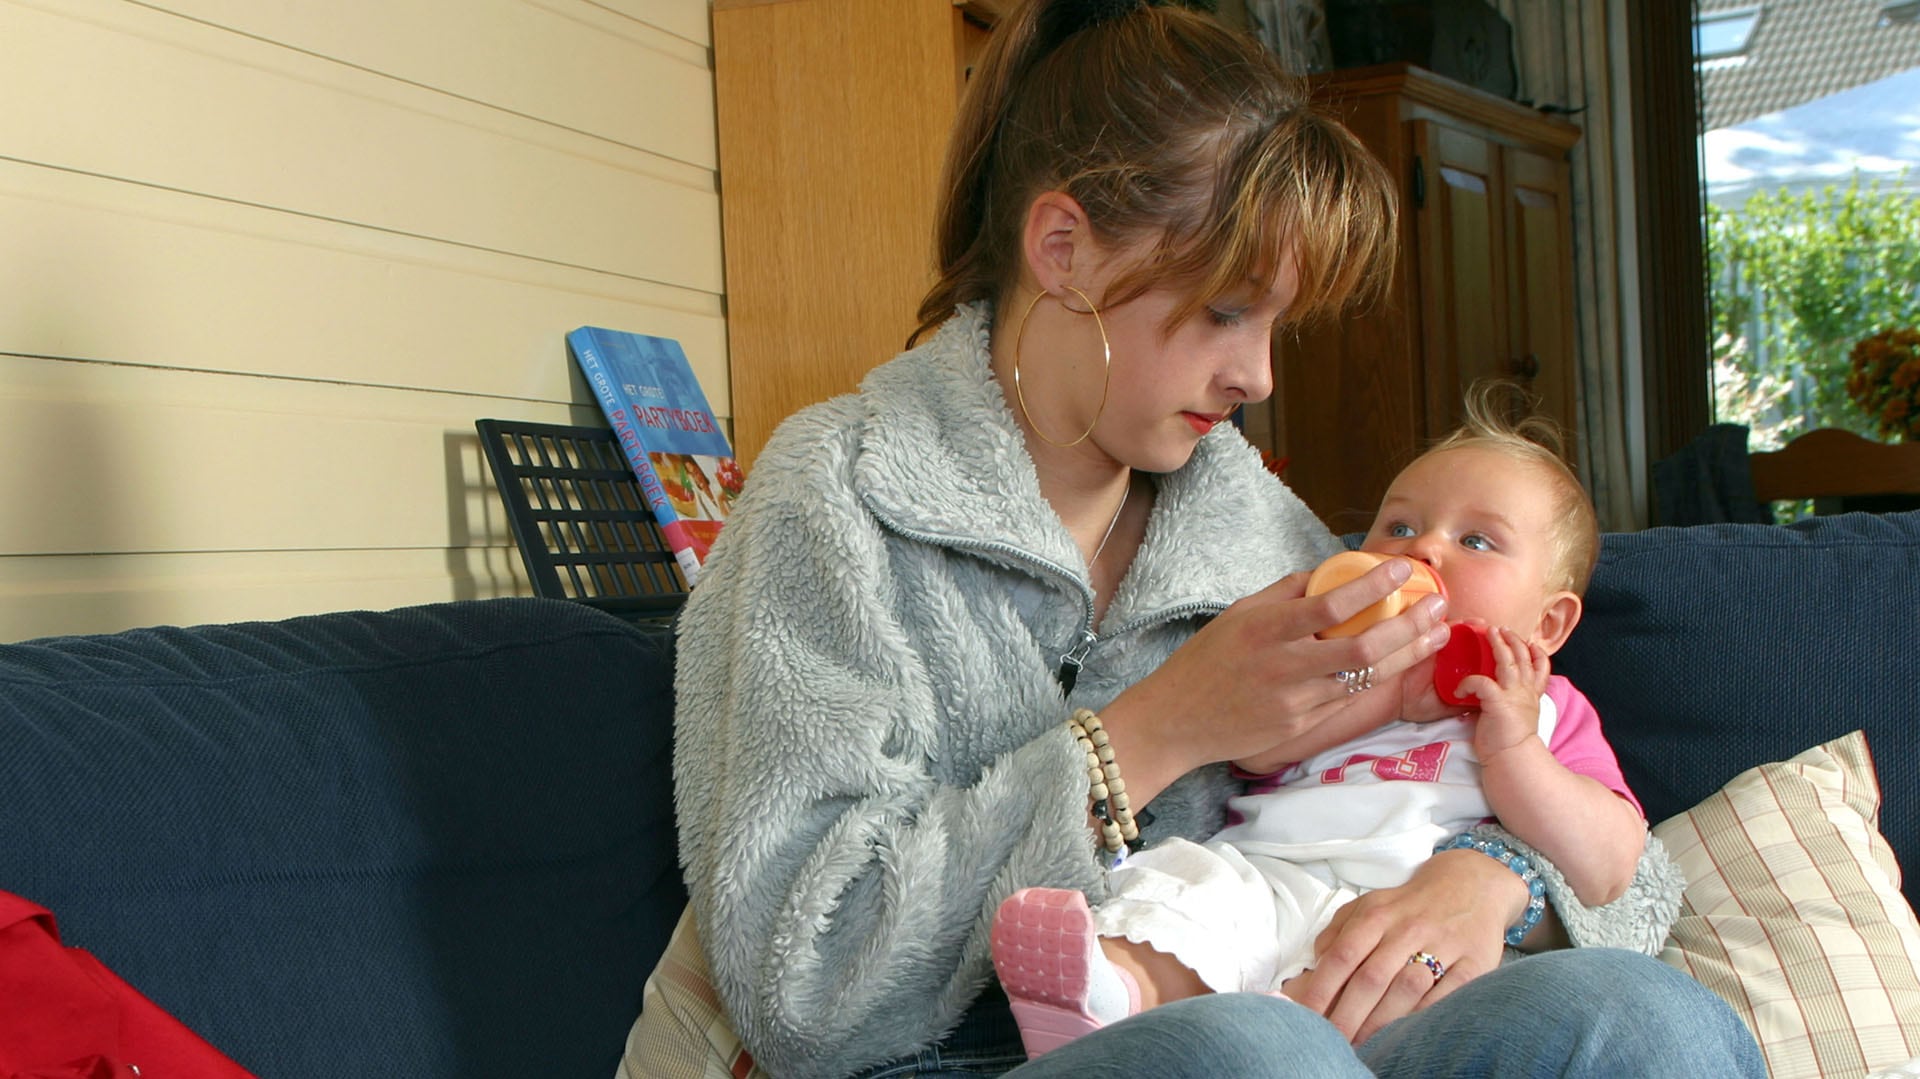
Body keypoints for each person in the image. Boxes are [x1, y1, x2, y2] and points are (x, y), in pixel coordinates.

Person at [633, 1, 1766, 1076]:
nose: (1259, 374)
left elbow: (1633, 885)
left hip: (1305, 1027)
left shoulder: (1267, 533)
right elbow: (803, 984)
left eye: (1276, 322)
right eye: (1228, 311)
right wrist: (1151, 730)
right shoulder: (840, 491)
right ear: (1064, 247)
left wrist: (1494, 873)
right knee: (1257, 1054)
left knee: (1647, 1017)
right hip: (953, 1055)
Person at [989, 391, 1655, 1058]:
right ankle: (1108, 993)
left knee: (1355, 984)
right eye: (1398, 526)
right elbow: (1256, 751)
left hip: (1401, 911)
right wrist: (1380, 698)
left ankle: (1268, 1031)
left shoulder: (1546, 708)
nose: (1424, 546)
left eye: (1475, 540)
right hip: (1269, 874)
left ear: (1548, 623)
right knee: (1186, 893)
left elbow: (1607, 865)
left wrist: (1512, 745)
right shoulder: (1337, 666)